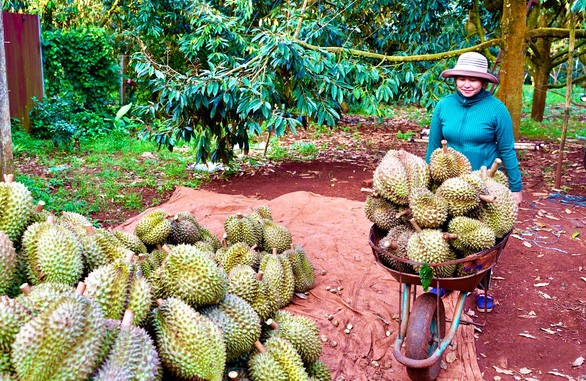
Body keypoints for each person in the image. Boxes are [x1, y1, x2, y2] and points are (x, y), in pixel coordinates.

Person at [425, 51, 523, 312]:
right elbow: (433, 146)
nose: (467, 84)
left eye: (474, 79)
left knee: (484, 237)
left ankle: (481, 285)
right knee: (447, 231)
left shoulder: (496, 110)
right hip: (449, 181)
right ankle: (445, 277)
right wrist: (427, 179)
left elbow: (507, 150)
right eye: (462, 78)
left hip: (486, 182)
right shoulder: (444, 106)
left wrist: (516, 187)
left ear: (484, 82)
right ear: (455, 78)